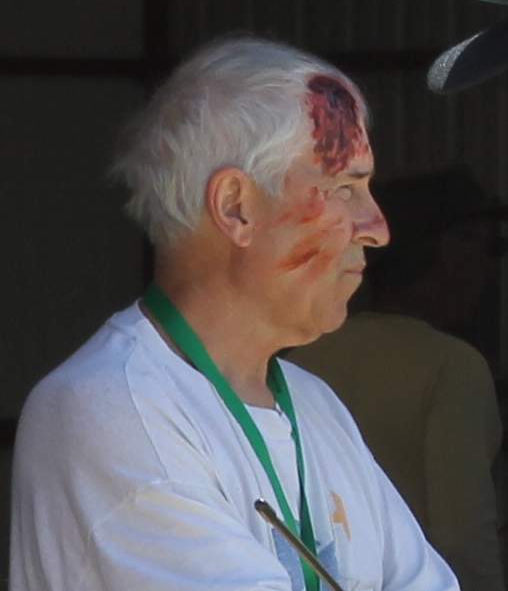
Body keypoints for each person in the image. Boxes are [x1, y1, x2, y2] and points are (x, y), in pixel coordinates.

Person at [10, 36, 459, 591]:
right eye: (345, 188)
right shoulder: (109, 408)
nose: (378, 229)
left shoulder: (315, 405)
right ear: (235, 207)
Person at [289, 166, 508, 591]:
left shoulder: (300, 361)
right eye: (484, 246)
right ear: (446, 252)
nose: (488, 268)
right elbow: (462, 539)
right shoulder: (453, 367)